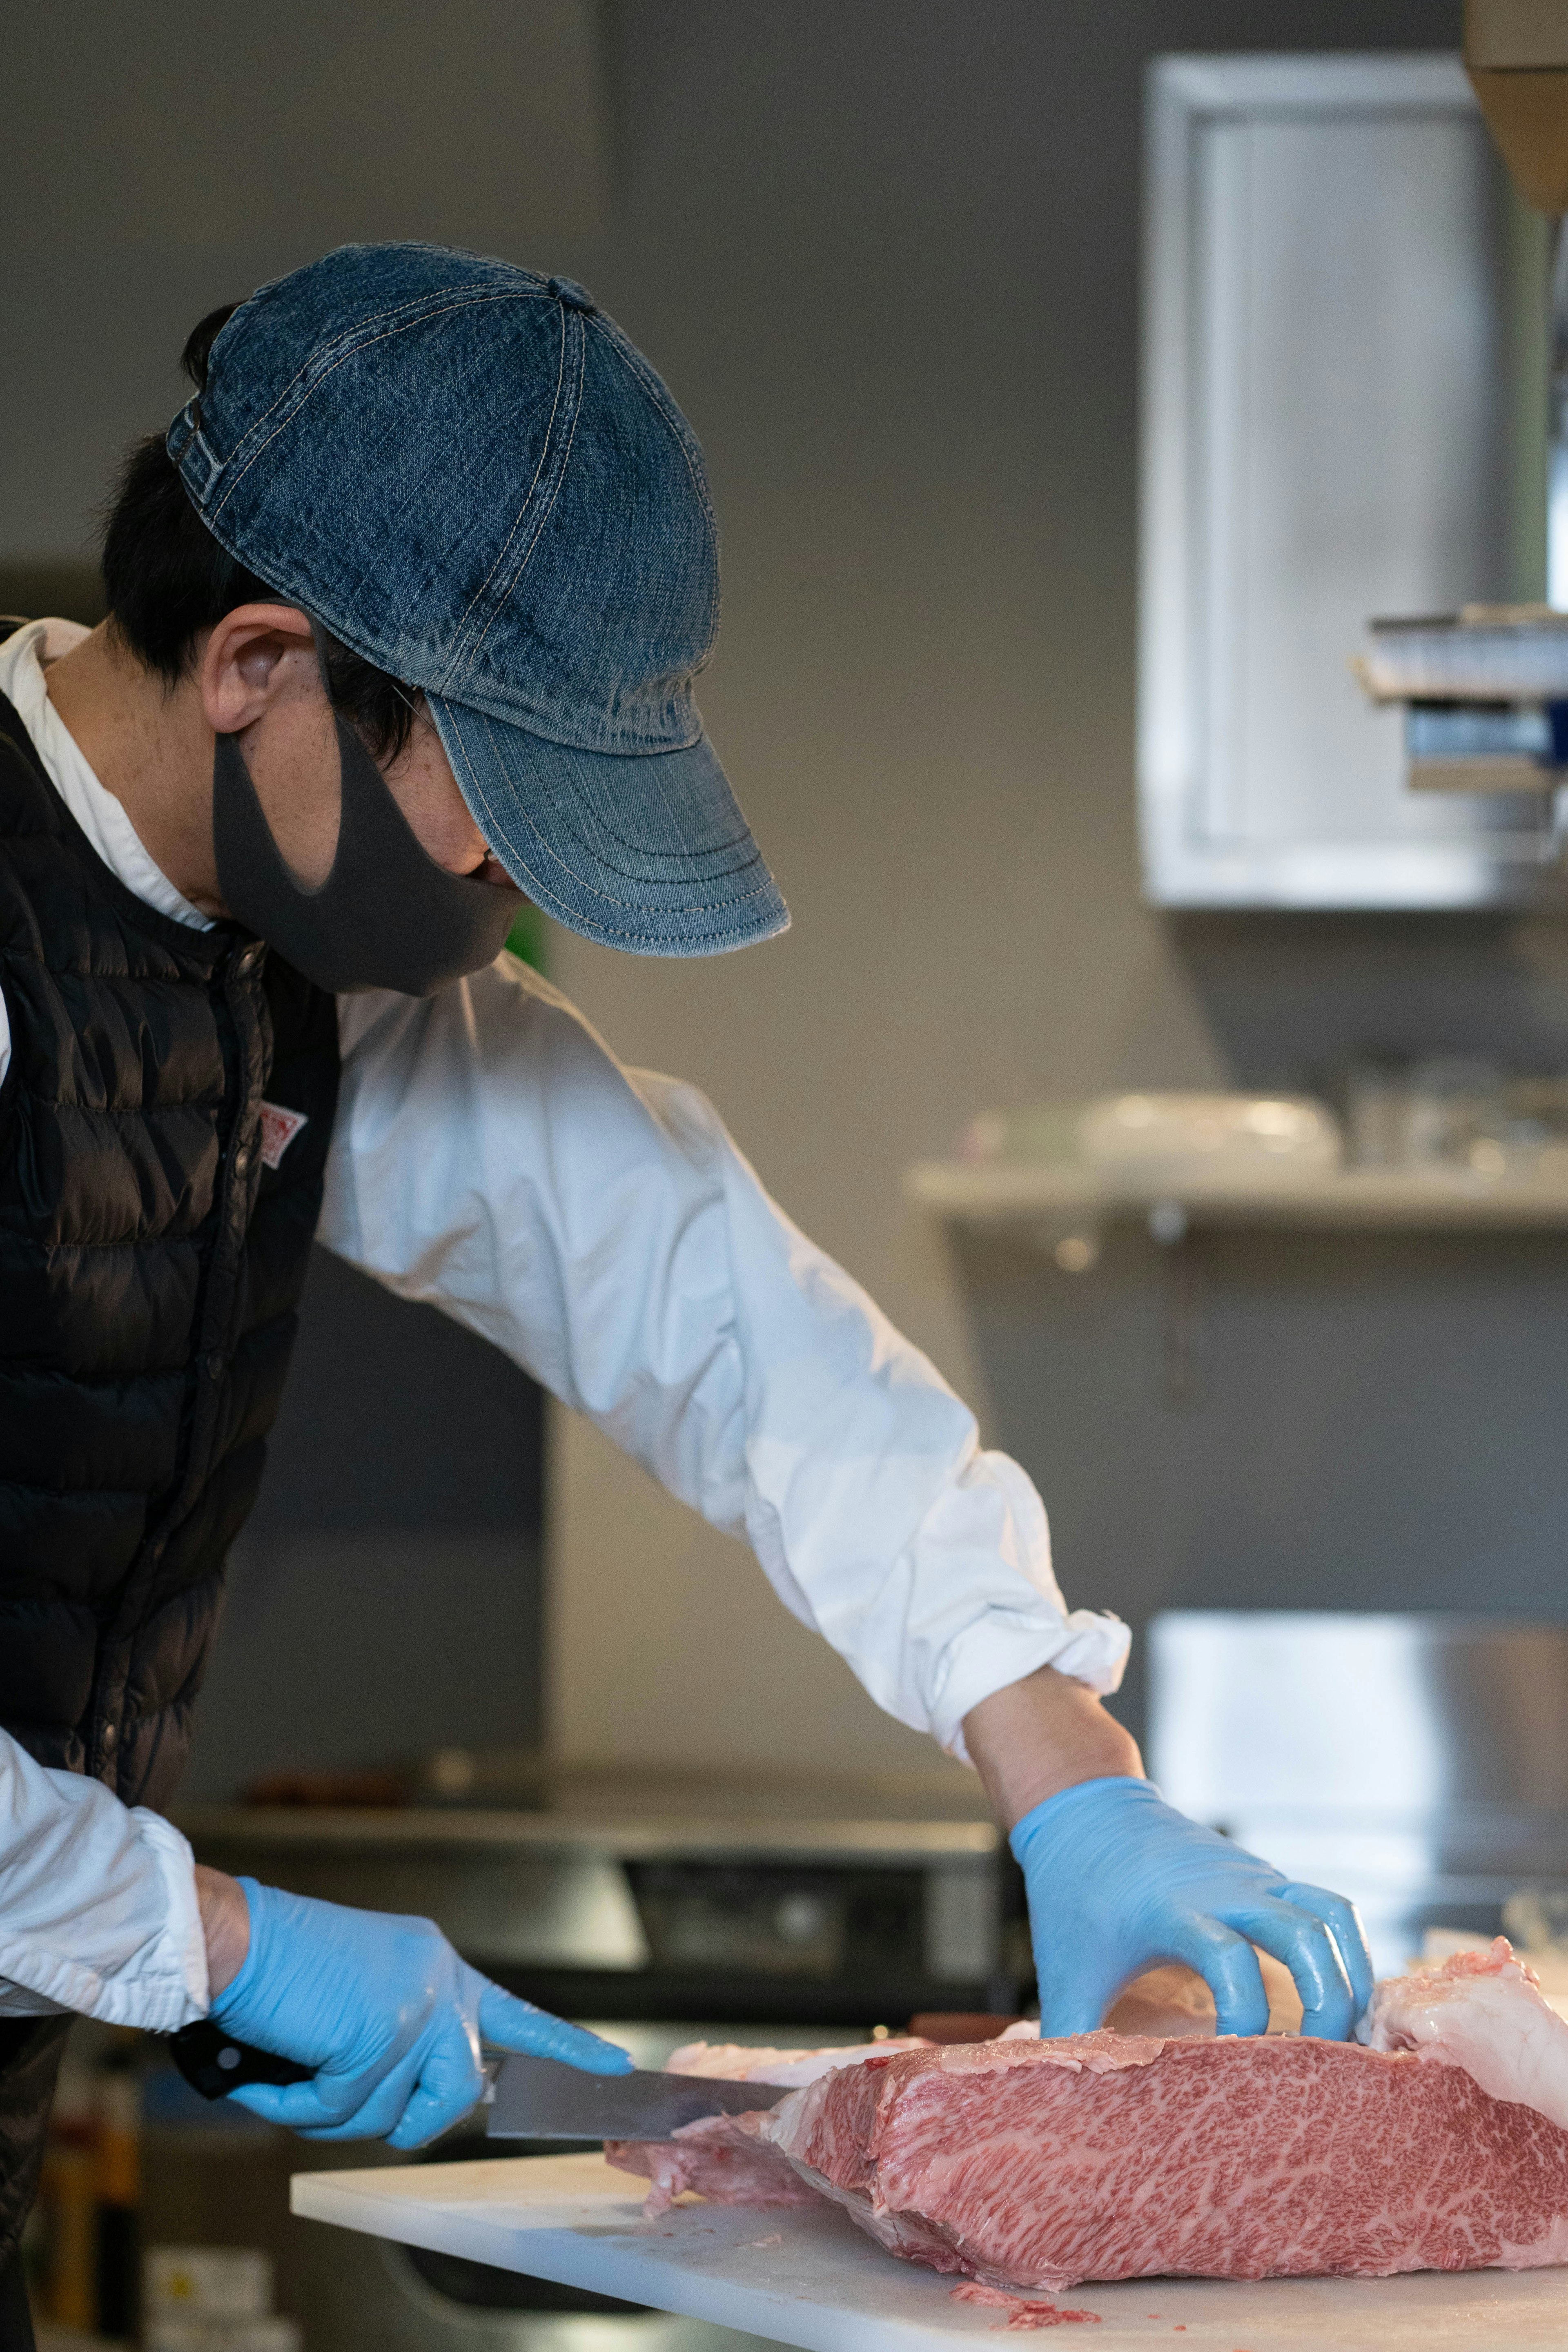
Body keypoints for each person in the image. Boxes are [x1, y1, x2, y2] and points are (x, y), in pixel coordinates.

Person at [0, 242, 1372, 2339]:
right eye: (498, 813)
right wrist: (204, 1934)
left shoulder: (279, 969)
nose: (525, 890)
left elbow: (697, 1296)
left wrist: (1062, 1755)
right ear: (259, 664)